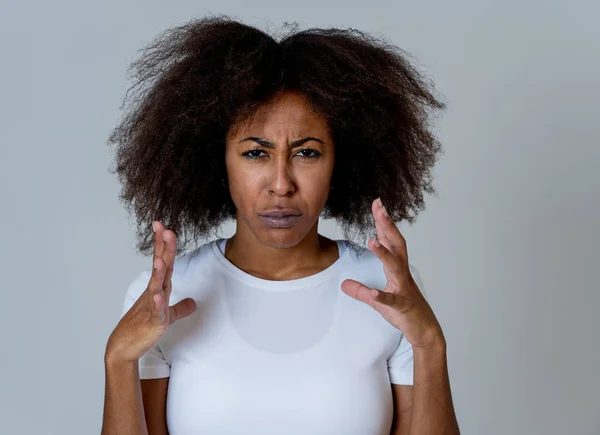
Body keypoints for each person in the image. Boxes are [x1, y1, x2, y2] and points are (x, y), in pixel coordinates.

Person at [101, 15, 459, 435]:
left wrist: (430, 344)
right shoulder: (165, 298)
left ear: (340, 162)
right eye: (256, 153)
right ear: (218, 161)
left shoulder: (385, 290)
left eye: (307, 153)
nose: (281, 184)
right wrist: (118, 361)